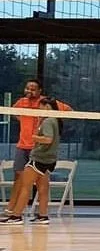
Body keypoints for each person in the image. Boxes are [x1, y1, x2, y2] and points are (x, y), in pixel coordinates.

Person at [2, 96, 59, 225]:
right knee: (43, 188)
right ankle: (43, 216)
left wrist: (35, 138)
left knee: (25, 186)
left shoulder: (48, 121)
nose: (39, 109)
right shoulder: (55, 120)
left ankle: (16, 216)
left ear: (47, 107)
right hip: (49, 160)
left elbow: (48, 139)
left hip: (39, 158)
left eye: (41, 106)